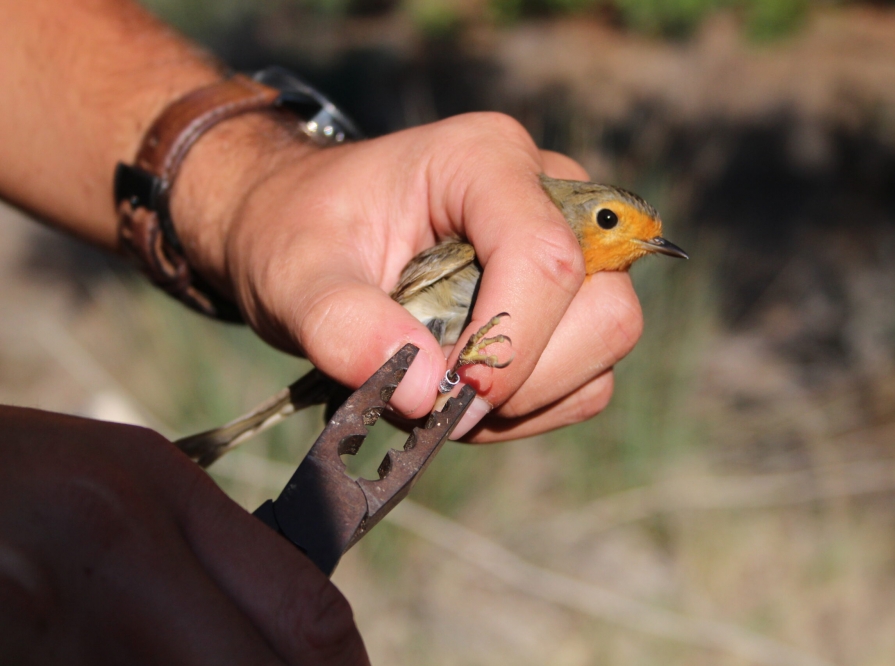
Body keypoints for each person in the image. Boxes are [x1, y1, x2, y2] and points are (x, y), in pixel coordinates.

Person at [0, 0, 646, 662]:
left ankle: (218, 441)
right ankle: (222, 440)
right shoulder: (487, 243)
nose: (625, 242)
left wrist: (254, 181)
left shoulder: (564, 273)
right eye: (608, 220)